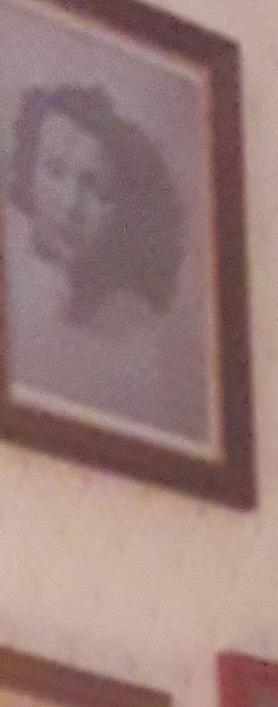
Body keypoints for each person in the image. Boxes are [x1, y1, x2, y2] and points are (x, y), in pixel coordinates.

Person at [3, 77, 207, 445]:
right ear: (28, 171)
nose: (71, 206)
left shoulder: (137, 342)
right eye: (54, 171)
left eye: (97, 188)